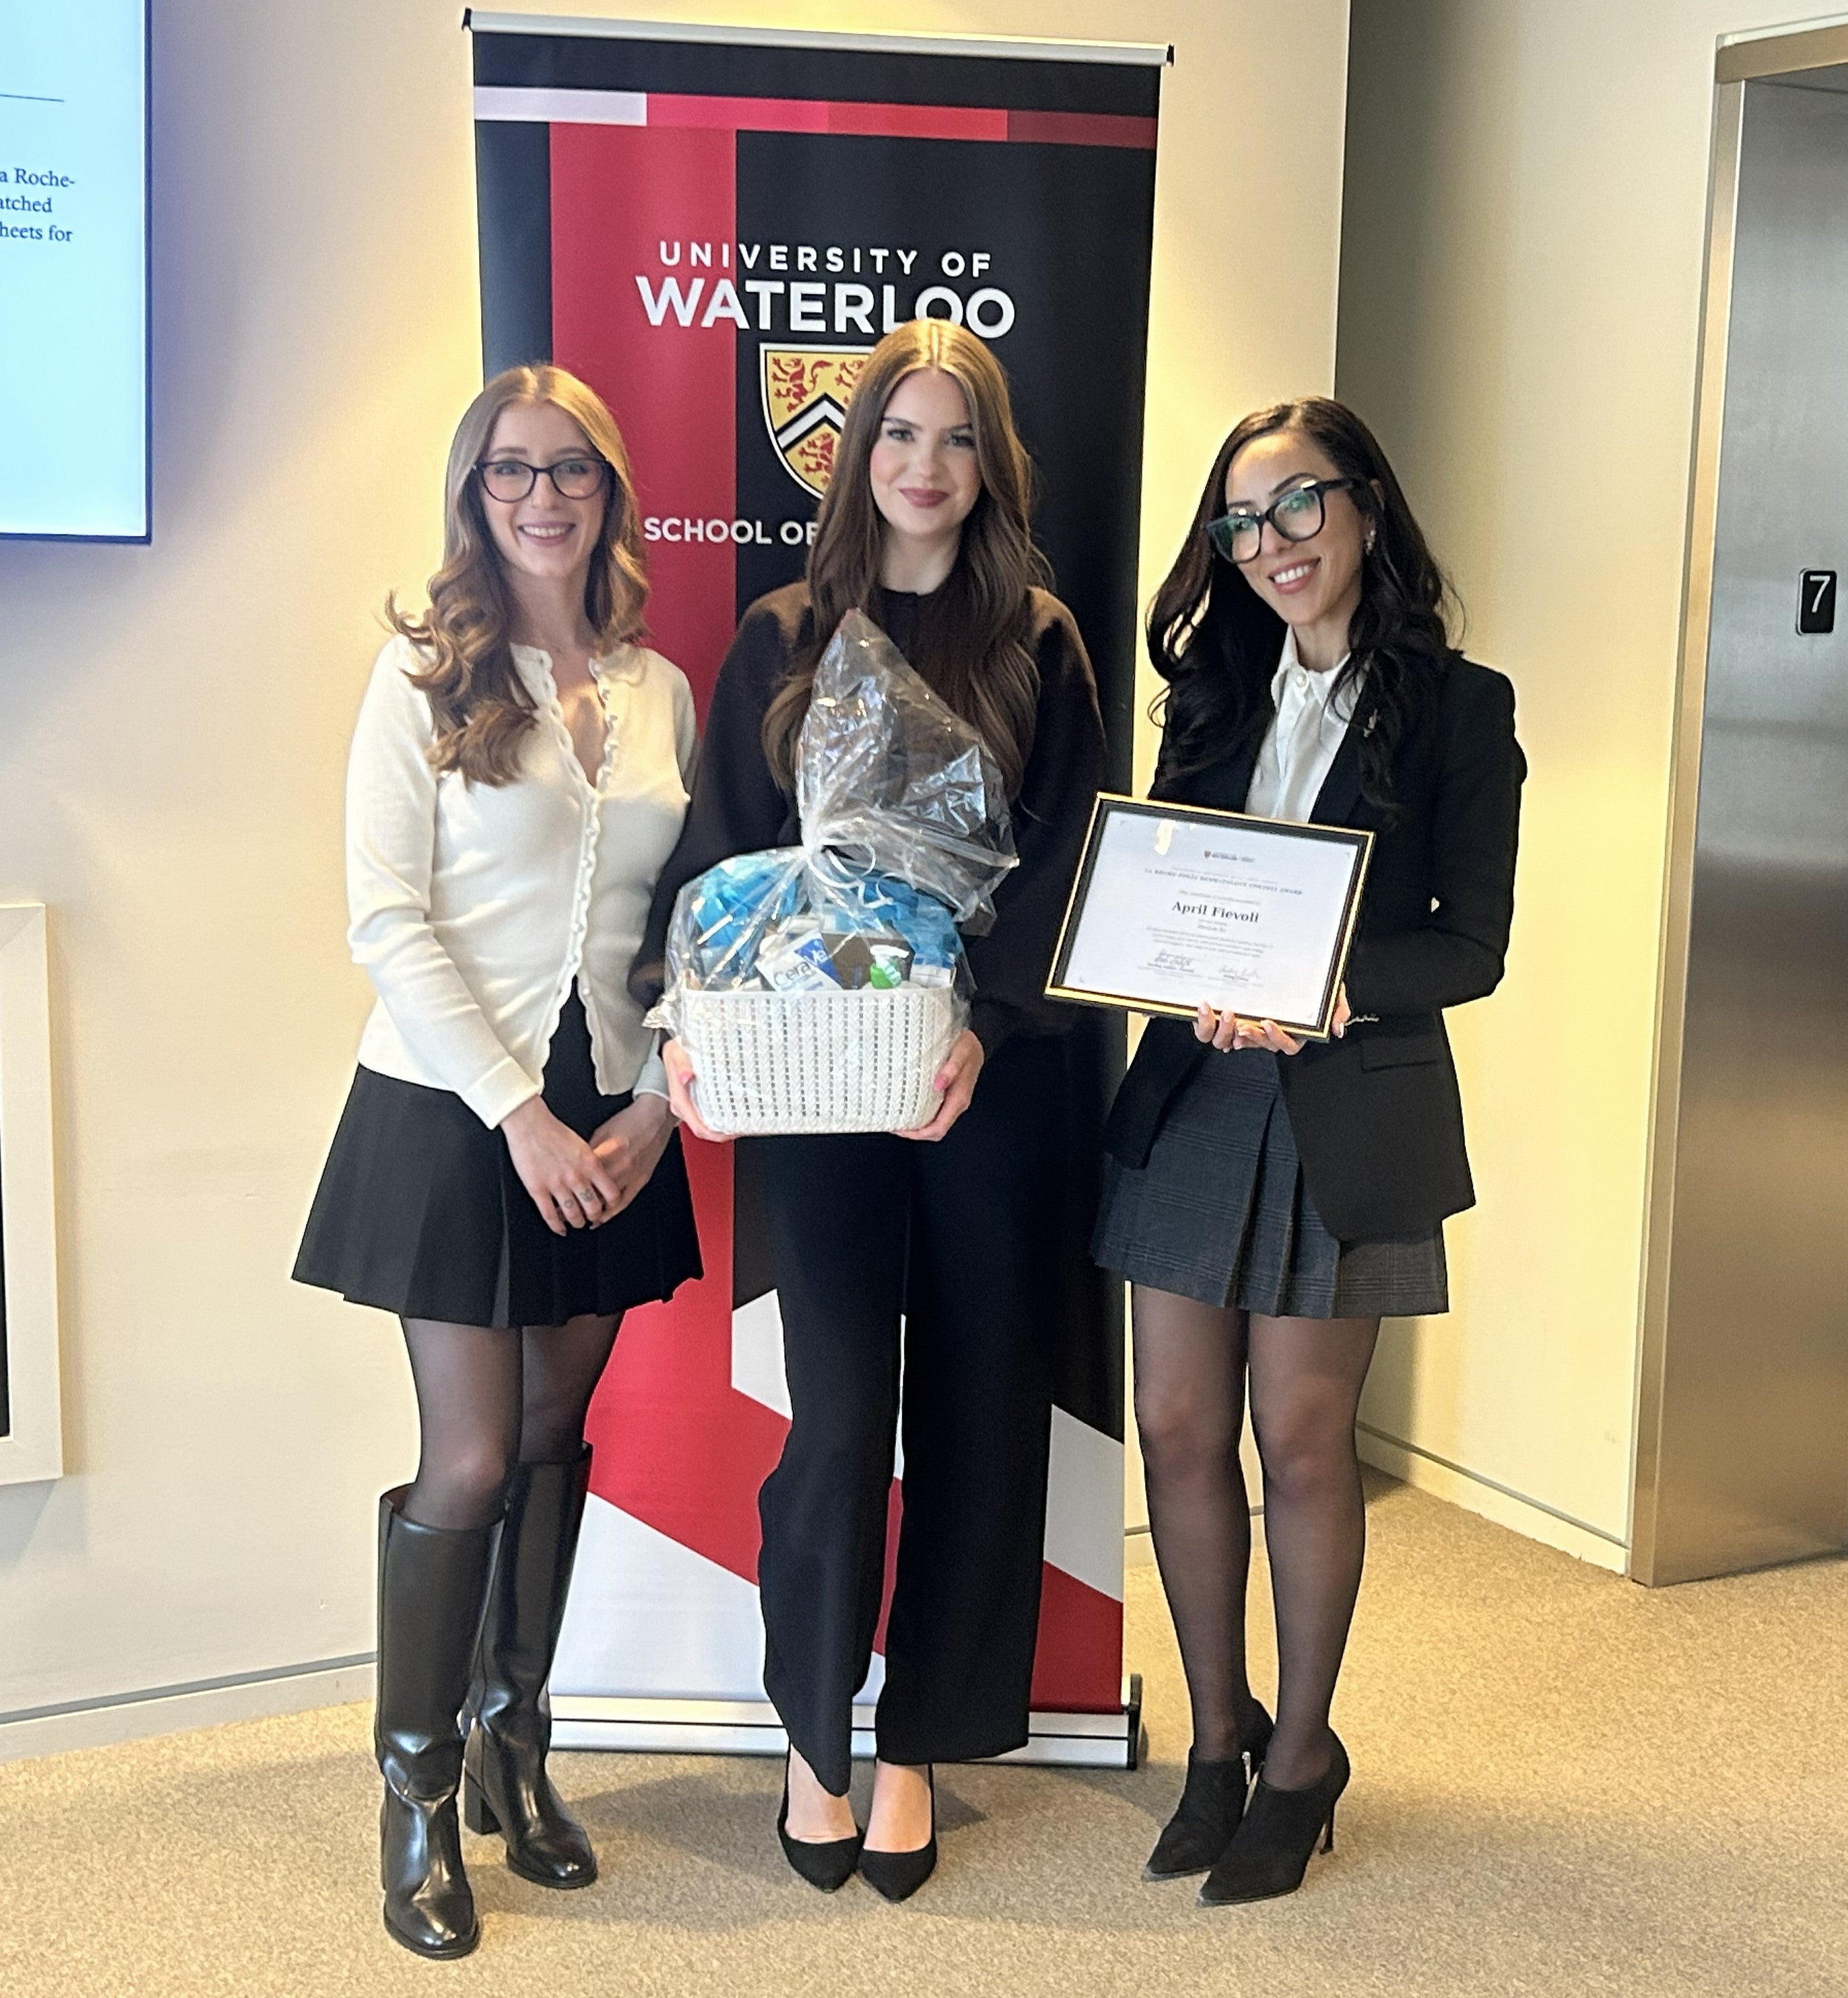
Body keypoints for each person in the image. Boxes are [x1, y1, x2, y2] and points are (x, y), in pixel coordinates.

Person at [636, 319, 1107, 1902]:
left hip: (987, 1085)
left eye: (954, 438)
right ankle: (814, 1733)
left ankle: (918, 1737)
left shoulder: (1040, 638)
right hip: (814, 1082)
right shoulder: (780, 633)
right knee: (838, 1419)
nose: (923, 465)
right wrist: (685, 1019)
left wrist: (985, 1021)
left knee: (979, 1412)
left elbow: (1063, 875)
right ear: (849, 456)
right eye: (896, 435)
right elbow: (719, 854)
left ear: (991, 464)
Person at [293, 365, 702, 1960]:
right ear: (475, 495)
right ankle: (410, 1799)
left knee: (553, 1429)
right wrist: (516, 1116)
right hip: (461, 1116)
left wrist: (655, 1103)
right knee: (467, 1455)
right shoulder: (420, 678)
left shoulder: (662, 686)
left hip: (616, 1109)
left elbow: (688, 919)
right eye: (511, 471)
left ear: (610, 489)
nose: (544, 496)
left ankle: (509, 1750)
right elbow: (384, 917)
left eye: (572, 469)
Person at [1095, 398, 1524, 1905]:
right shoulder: (1209, 694)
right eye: (1241, 522)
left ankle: (1304, 1759)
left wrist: (1341, 991)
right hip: (1201, 1096)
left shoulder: (1464, 709)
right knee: (1176, 1428)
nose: (1270, 545)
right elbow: (1172, 894)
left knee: (1299, 1441)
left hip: (1346, 1101)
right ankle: (1221, 1742)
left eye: (1297, 508)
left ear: (1365, 509)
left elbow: (1471, 944)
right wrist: (1175, 970)